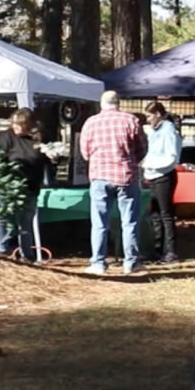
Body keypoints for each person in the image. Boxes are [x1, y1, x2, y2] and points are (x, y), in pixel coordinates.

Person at [79, 91, 148, 275]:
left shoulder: (90, 122)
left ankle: (98, 263)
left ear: (102, 104)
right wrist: (131, 159)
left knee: (100, 222)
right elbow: (142, 148)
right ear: (118, 103)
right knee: (129, 222)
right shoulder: (131, 120)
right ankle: (131, 263)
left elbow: (85, 153)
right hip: (126, 175)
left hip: (99, 175)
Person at [0, 108, 50, 261]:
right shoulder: (6, 138)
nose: (15, 127)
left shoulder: (39, 138)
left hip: (30, 186)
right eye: (14, 124)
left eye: (20, 125)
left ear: (28, 125)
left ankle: (27, 254)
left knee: (25, 221)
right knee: (1, 216)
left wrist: (54, 158)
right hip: (7, 186)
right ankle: (1, 250)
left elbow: (48, 160)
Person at [142, 102, 182, 264]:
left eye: (149, 116)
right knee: (155, 214)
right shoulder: (154, 131)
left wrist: (150, 164)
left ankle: (171, 251)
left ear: (158, 114)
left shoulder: (169, 131)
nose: (148, 119)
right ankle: (158, 249)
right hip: (152, 175)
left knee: (166, 214)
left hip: (164, 175)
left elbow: (172, 157)